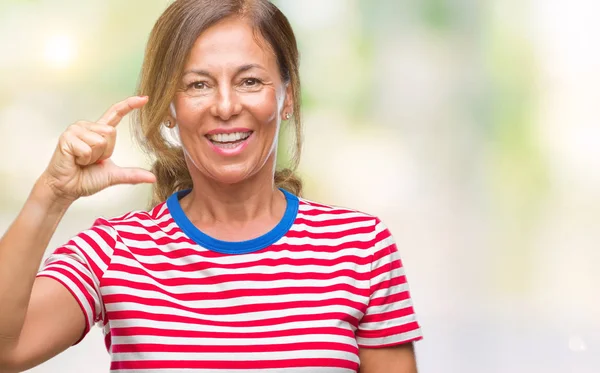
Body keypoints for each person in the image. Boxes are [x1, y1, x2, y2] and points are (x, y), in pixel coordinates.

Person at [0, 0, 423, 372]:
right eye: (198, 84)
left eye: (250, 81)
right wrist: (51, 194)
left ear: (287, 98)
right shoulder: (114, 252)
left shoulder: (362, 247)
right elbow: (6, 351)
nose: (225, 106)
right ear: (169, 106)